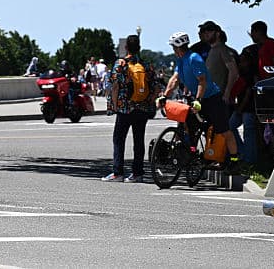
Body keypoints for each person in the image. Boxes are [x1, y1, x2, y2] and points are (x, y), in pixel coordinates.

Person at [159, 32, 241, 174]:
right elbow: (175, 79)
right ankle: (192, 154)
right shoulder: (180, 60)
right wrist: (164, 96)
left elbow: (202, 81)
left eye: (173, 47)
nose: (172, 49)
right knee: (188, 125)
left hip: (211, 98)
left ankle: (234, 161)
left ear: (178, 47)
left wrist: (198, 100)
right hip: (197, 98)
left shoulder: (194, 58)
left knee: (224, 130)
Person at [102, 35, 158, 182]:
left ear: (126, 47)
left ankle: (117, 172)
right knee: (139, 141)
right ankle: (137, 174)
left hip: (125, 108)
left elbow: (114, 86)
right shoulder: (146, 65)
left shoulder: (120, 64)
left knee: (118, 139)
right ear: (139, 47)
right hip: (142, 108)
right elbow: (156, 86)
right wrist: (149, 101)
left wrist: (114, 105)